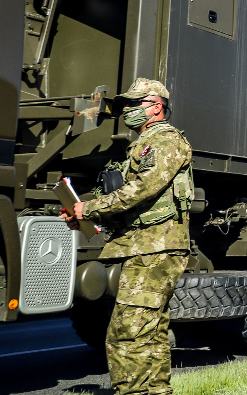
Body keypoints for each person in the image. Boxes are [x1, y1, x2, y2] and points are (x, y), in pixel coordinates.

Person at [62, 78, 194, 395]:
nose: (127, 110)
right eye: (126, 104)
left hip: (155, 247)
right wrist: (83, 214)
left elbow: (142, 189)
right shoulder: (143, 144)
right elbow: (130, 197)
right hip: (147, 246)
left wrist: (90, 208)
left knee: (126, 333)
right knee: (150, 331)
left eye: (135, 103)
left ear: (157, 106)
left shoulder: (165, 140)